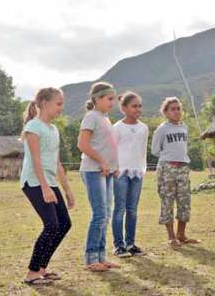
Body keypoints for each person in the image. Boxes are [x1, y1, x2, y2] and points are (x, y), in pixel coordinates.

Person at [20, 87, 74, 285]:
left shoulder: (53, 129)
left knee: (64, 224)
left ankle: (42, 268)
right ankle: (32, 273)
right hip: (34, 182)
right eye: (58, 103)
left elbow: (57, 163)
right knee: (51, 225)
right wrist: (44, 187)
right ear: (44, 103)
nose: (61, 108)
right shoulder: (34, 126)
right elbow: (35, 159)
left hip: (49, 182)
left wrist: (67, 191)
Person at [78, 82, 120, 271]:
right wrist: (102, 162)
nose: (113, 102)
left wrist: (114, 165)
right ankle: (91, 258)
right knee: (100, 214)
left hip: (108, 172)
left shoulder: (105, 118)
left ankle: (102, 256)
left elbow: (108, 145)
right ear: (97, 99)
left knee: (107, 214)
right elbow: (83, 144)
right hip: (93, 171)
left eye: (114, 98)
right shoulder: (91, 117)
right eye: (109, 98)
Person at [151, 97, 200, 247]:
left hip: (183, 167)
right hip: (168, 168)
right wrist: (168, 158)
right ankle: (171, 236)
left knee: (184, 201)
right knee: (168, 201)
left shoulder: (184, 127)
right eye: (173, 109)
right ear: (165, 112)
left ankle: (182, 234)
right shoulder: (162, 129)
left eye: (178, 108)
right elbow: (154, 150)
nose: (177, 111)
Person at [111, 91, 148, 257]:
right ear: (124, 108)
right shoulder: (117, 127)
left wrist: (142, 169)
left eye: (140, 106)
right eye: (134, 106)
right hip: (121, 173)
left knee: (132, 210)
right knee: (119, 209)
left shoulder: (144, 128)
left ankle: (130, 243)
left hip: (137, 173)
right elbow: (111, 150)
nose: (138, 109)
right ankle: (119, 245)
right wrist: (114, 168)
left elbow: (142, 151)